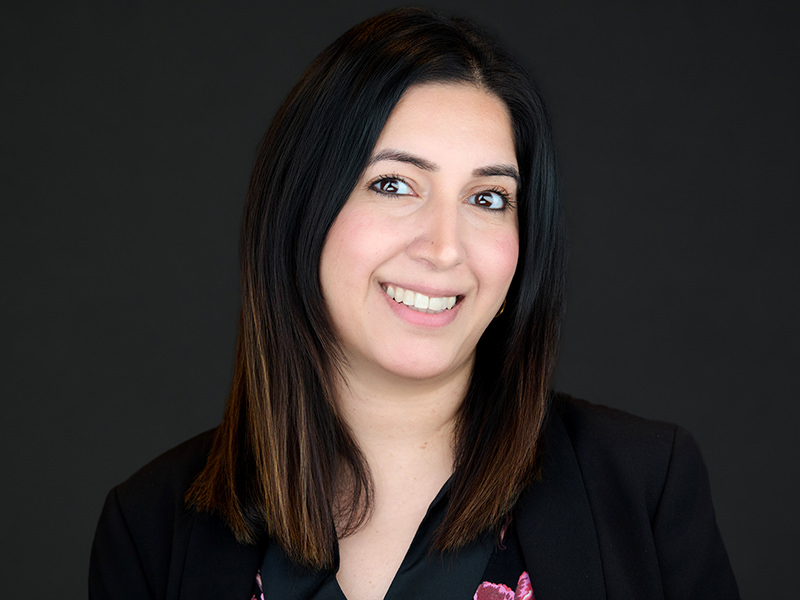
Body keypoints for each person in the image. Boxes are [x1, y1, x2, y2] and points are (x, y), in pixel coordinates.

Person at [89, 7, 739, 600]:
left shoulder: (645, 485)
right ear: (300, 212)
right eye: (395, 184)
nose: (444, 247)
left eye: (487, 198)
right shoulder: (151, 528)